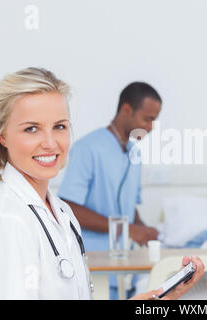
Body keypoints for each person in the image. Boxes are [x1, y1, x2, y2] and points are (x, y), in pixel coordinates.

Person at [0, 67, 204, 299]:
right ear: (2, 136)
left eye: (59, 126)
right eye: (31, 129)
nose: (51, 143)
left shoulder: (62, 213)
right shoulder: (8, 222)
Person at [57, 82, 162, 298]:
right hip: (94, 266)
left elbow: (129, 207)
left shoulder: (134, 154)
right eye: (148, 119)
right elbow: (68, 209)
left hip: (125, 269)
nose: (151, 127)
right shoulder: (88, 148)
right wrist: (128, 229)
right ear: (126, 110)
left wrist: (145, 231)